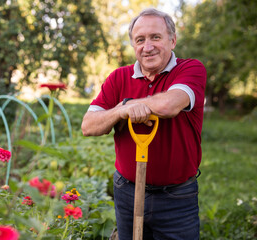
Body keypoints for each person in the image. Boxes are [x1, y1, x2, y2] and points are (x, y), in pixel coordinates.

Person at [81, 8, 207, 240]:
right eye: (140, 40)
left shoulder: (190, 69)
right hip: (126, 192)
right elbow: (88, 126)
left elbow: (170, 105)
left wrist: (131, 104)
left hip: (176, 198)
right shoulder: (118, 77)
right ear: (133, 45)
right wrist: (123, 110)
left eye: (155, 37)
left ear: (173, 40)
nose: (147, 46)